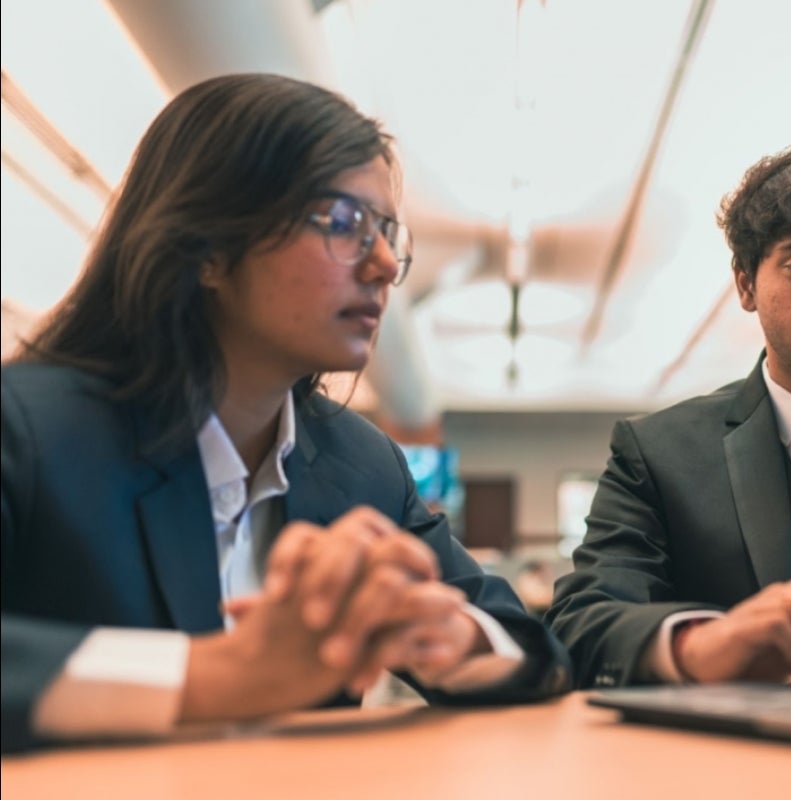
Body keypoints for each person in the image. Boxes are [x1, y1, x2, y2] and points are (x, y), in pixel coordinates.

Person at [1, 73, 570, 754]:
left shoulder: (361, 464)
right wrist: (218, 676)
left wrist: (451, 636)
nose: (386, 264)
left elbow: (535, 647)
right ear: (208, 247)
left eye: (389, 232)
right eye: (343, 223)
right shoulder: (29, 429)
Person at [545, 134, 791, 688]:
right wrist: (703, 642)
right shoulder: (658, 453)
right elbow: (581, 625)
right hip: (739, 764)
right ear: (746, 284)